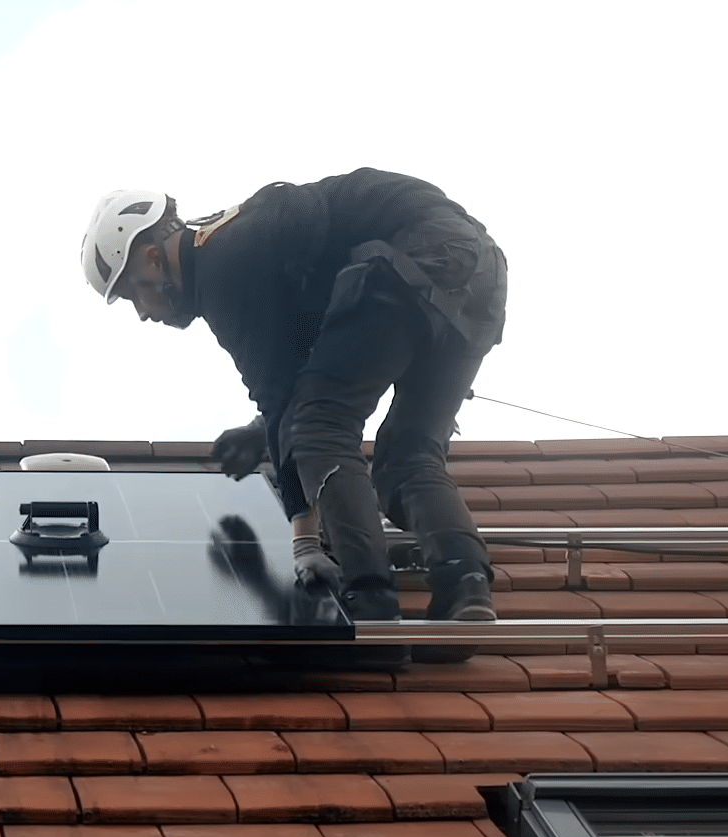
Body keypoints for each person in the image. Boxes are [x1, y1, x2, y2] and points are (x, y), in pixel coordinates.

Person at [81, 169, 505, 623]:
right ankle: (466, 586)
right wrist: (266, 432)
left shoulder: (221, 269)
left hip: (410, 261)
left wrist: (304, 543)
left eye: (132, 296)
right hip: (480, 275)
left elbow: (292, 404)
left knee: (321, 427)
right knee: (408, 455)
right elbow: (309, 368)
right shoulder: (241, 243)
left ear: (150, 258)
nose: (143, 314)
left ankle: (370, 601)